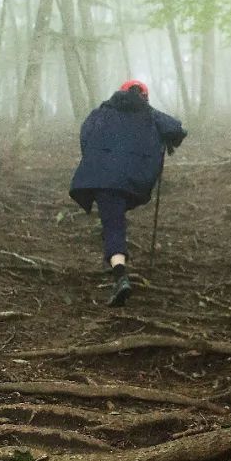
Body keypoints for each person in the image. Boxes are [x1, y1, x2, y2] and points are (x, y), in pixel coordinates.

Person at [69, 80, 187, 305]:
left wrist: (98, 158)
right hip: (133, 180)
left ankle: (120, 275)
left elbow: (85, 135)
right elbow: (176, 129)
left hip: (103, 178)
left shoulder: (102, 112)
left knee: (113, 224)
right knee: (116, 220)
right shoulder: (150, 113)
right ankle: (119, 271)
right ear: (144, 96)